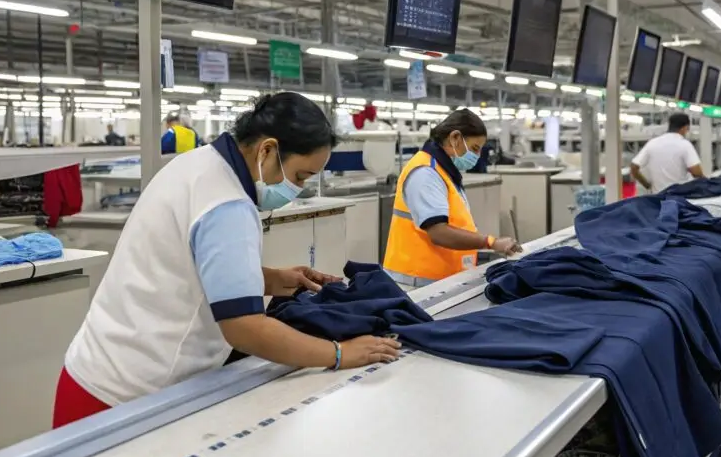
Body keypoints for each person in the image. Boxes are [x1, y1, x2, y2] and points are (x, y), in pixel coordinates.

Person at [54, 92, 400, 428]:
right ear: (267, 150)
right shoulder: (227, 204)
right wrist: (339, 353)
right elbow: (245, 329)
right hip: (124, 400)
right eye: (299, 177)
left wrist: (264, 278)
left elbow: (183, 264)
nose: (297, 189)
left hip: (93, 374)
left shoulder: (199, 164)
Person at [384, 109, 520, 288]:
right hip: (416, 284)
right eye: (474, 148)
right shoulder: (426, 173)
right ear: (455, 138)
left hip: (440, 281)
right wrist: (491, 242)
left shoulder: (444, 172)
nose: (477, 157)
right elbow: (439, 232)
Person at [630, 112, 705, 193]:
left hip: (657, 197)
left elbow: (634, 167)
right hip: (678, 197)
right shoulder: (685, 145)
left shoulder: (653, 143)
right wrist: (707, 182)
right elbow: (696, 173)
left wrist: (647, 185)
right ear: (685, 128)